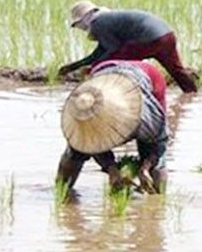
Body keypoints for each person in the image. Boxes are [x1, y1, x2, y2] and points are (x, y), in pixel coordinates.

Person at [56, 60, 169, 194]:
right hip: (103, 77)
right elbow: (90, 145)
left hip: (146, 76)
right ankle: (61, 191)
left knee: (155, 161)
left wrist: (146, 166)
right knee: (76, 148)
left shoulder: (144, 116)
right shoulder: (83, 110)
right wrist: (111, 169)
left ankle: (158, 201)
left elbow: (160, 139)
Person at [58, 0, 198, 93]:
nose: (80, 28)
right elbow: (100, 51)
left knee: (114, 65)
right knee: (177, 71)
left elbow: (112, 50)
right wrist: (74, 66)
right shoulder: (106, 19)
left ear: (84, 18)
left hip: (148, 39)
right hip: (166, 35)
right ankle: (191, 95)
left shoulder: (98, 23)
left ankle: (119, 95)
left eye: (78, 24)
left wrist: (94, 67)